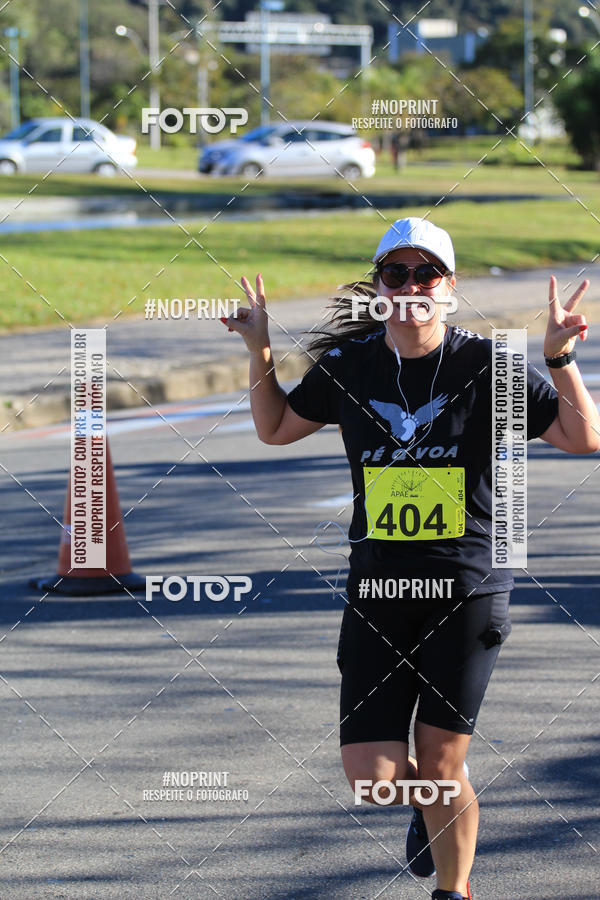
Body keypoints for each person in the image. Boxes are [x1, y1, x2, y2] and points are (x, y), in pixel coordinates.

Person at [219, 217, 600, 899]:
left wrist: (558, 358)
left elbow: (582, 438)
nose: (411, 285)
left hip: (467, 586)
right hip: (378, 588)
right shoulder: (351, 365)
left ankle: (452, 890)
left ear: (449, 289)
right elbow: (275, 428)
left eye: (427, 273)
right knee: (374, 778)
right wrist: (260, 349)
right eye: (395, 273)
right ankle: (428, 812)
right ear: (379, 288)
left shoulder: (487, 367)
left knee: (443, 765)